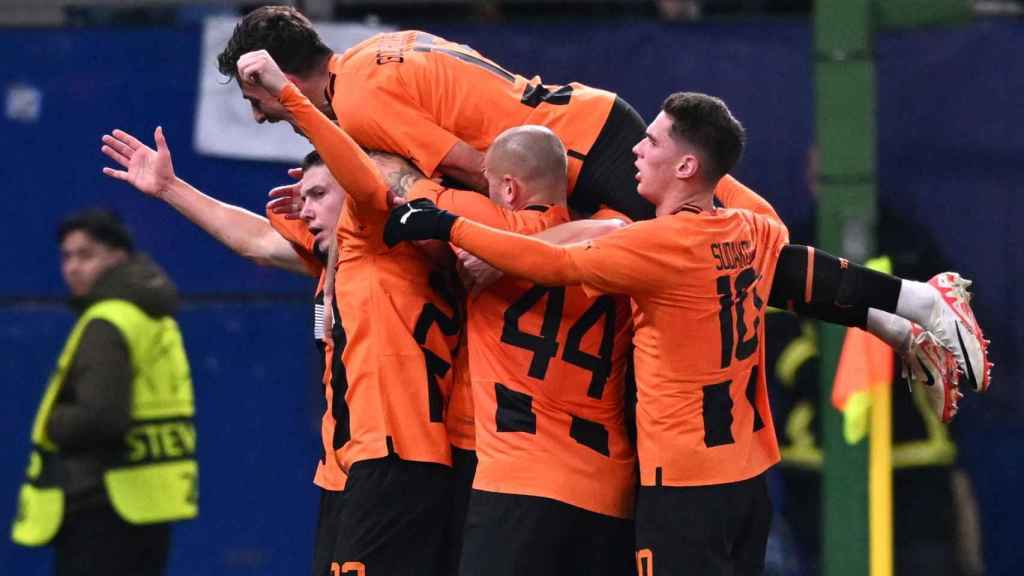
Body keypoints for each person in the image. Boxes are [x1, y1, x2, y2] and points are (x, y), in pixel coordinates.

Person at [383, 92, 991, 575]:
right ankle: (919, 306)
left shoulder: (653, 244)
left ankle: (920, 306)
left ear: (687, 164)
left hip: (681, 485)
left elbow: (554, 265)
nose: (634, 153)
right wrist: (897, 320)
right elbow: (805, 274)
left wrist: (444, 221)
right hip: (749, 479)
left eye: (649, 142)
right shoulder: (753, 228)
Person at [216, 5, 770, 223]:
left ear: (279, 76)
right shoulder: (377, 50)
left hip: (581, 151)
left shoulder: (358, 104)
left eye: (255, 98)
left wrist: (531, 226)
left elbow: (469, 163)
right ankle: (847, 301)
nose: (262, 115)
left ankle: (849, 304)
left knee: (721, 255)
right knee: (748, 227)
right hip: (590, 120)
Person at [98, 127, 353, 576]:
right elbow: (256, 240)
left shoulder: (400, 254)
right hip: (339, 468)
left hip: (392, 468)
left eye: (318, 195)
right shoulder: (331, 259)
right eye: (305, 196)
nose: (305, 210)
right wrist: (170, 188)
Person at [11, 210, 197, 576]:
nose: (73, 268)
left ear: (118, 256)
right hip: (146, 500)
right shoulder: (151, 312)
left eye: (86, 255)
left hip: (100, 503)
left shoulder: (108, 321)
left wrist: (54, 422)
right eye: (67, 257)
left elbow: (101, 418)